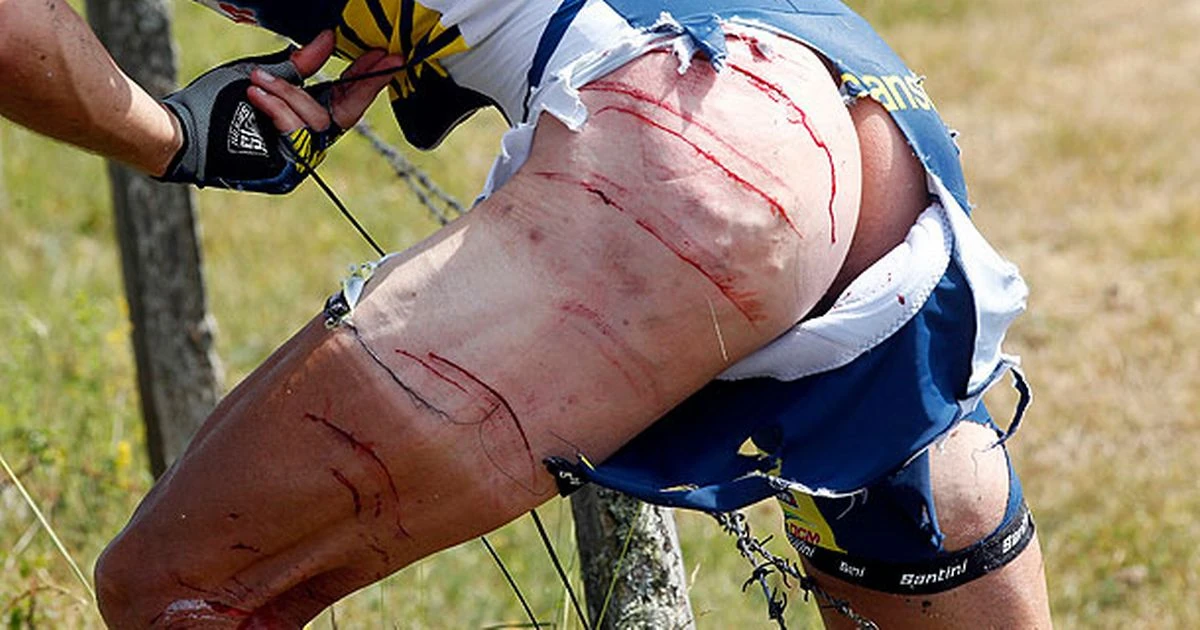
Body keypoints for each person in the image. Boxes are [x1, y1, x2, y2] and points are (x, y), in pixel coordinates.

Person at [4, 0, 1052, 627]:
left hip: (682, 140)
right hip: (851, 108)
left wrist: (168, 135)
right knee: (906, 475)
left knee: (178, 588)